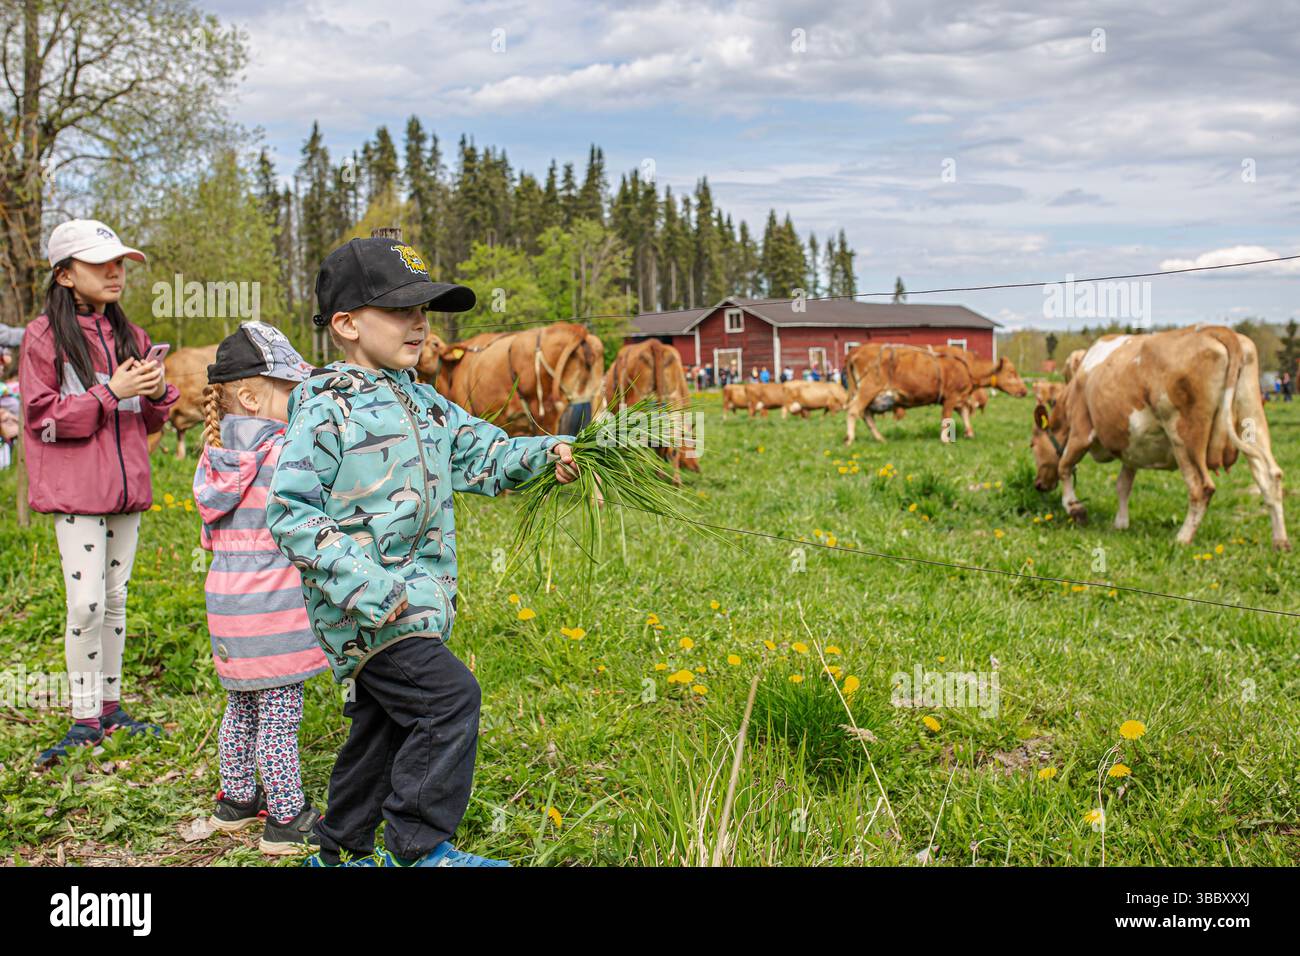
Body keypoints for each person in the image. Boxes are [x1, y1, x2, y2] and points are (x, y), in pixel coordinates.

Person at [267, 237, 581, 867]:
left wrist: (544, 455)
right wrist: (370, 588)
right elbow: (291, 513)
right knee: (449, 699)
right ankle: (419, 846)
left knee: (384, 725)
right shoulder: (328, 405)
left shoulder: (423, 398)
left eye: (425, 311)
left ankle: (337, 851)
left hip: (419, 600)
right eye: (400, 310)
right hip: (365, 606)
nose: (419, 324)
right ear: (347, 324)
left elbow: (483, 452)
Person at [19, 219, 179, 768]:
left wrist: (159, 391)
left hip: (126, 489)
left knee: (114, 600)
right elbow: (41, 419)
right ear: (64, 275)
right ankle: (83, 717)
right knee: (85, 601)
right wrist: (108, 391)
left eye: (119, 264)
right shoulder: (43, 338)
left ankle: (109, 709)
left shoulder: (131, 336)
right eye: (99, 264)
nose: (115, 273)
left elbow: (149, 416)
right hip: (75, 494)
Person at [194, 321, 331, 855]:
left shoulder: (212, 461)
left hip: (228, 607)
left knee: (241, 708)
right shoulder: (282, 456)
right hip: (274, 610)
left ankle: (236, 798)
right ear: (251, 397)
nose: (299, 401)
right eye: (290, 391)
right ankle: (286, 817)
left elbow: (212, 539)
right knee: (279, 716)